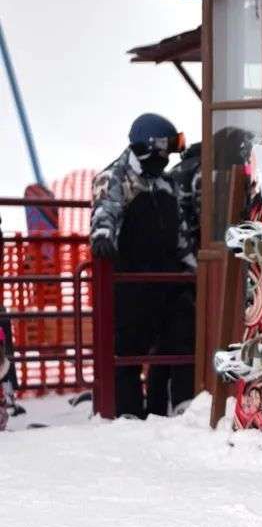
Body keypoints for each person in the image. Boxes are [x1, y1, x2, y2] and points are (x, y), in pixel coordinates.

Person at [90, 113, 196, 419]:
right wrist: (102, 236)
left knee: (181, 334)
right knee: (128, 347)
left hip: (165, 277)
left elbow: (180, 234)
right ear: (151, 147)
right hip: (131, 278)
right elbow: (104, 212)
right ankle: (128, 414)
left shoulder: (166, 183)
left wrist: (192, 272)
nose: (167, 159)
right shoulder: (116, 177)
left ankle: (181, 405)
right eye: (166, 150)